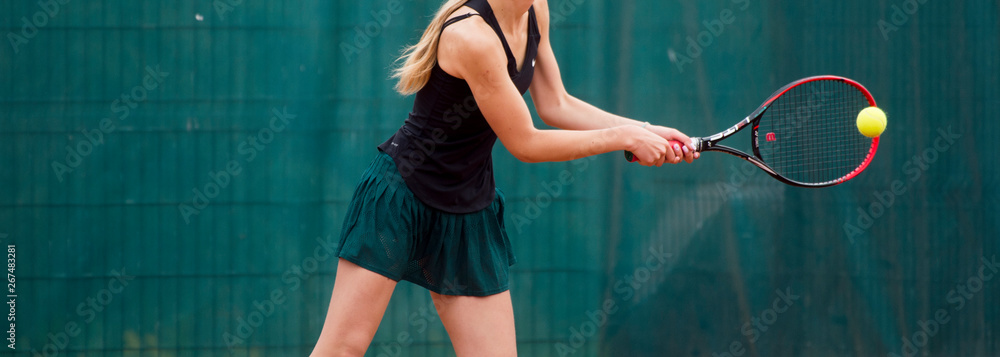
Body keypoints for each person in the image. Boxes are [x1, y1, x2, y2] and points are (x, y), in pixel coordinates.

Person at [311, 0, 698, 355]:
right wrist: (622, 137)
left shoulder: (534, 11)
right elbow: (525, 143)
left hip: (468, 211)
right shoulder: (471, 37)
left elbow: (555, 104)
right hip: (401, 197)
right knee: (342, 349)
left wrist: (645, 130)